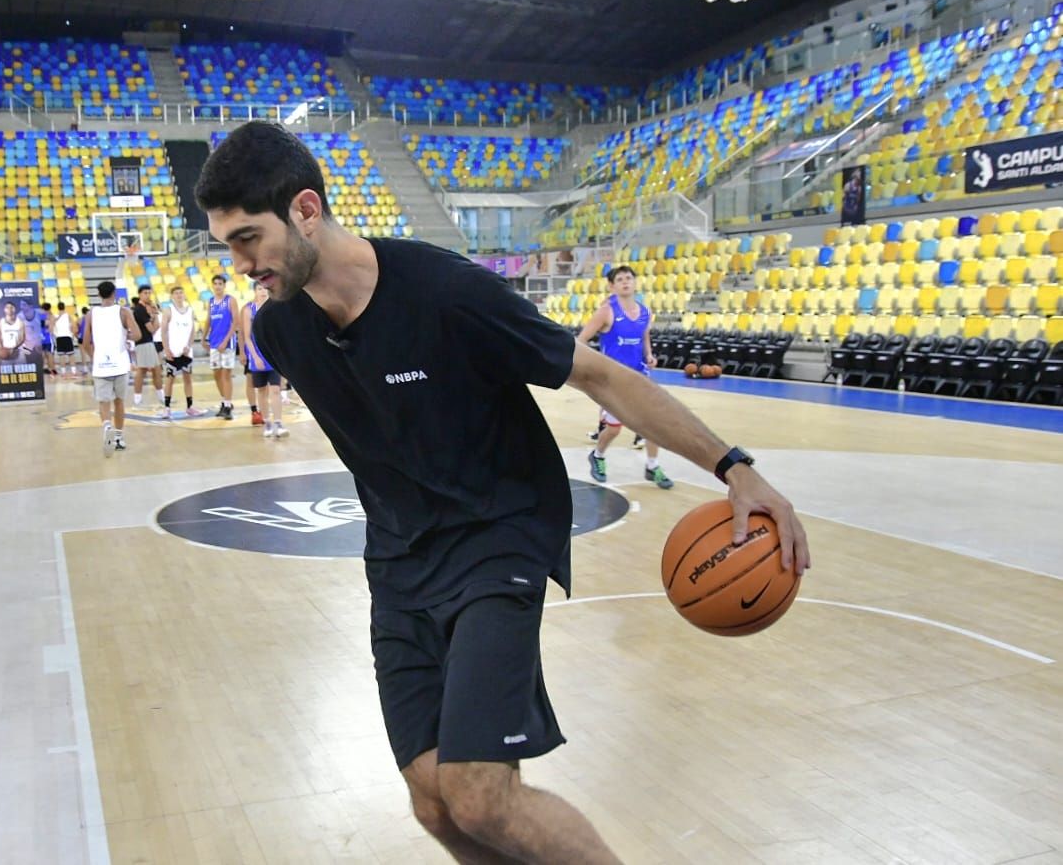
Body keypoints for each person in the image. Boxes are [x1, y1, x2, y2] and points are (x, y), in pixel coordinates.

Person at [196, 122, 811, 865]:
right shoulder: (282, 330)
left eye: (246, 239)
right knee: (434, 800)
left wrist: (733, 466)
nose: (238, 264)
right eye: (226, 245)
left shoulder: (446, 292)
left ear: (304, 210)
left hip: (498, 535)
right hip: (397, 560)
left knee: (482, 792)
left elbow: (603, 378)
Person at [577, 265, 673, 490]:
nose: (625, 282)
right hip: (613, 381)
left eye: (628, 278)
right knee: (614, 429)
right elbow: (581, 340)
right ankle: (598, 455)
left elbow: (644, 336)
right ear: (612, 286)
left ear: (635, 282)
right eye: (620, 279)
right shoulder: (606, 311)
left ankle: (652, 465)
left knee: (653, 424)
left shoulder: (645, 311)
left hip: (640, 376)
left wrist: (649, 354)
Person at [83, 280, 139, 456]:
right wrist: (126, 335)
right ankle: (119, 438)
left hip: (101, 365)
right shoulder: (123, 311)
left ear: (98, 294)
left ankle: (107, 425)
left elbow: (85, 342)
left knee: (103, 402)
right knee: (119, 401)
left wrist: (95, 357)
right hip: (120, 364)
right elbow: (137, 334)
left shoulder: (91, 314)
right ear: (114, 293)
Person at [240, 283, 286, 436]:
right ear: (254, 291)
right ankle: (267, 422)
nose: (263, 291)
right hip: (257, 357)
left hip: (272, 357)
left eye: (265, 288)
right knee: (261, 391)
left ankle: (278, 423)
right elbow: (247, 337)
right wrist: (254, 356)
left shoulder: (274, 308)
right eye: (259, 289)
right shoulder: (249, 310)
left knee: (275, 389)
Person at [158, 285, 205, 419]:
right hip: (173, 350)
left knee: (188, 379)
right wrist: (166, 348)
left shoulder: (190, 311)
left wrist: (189, 346)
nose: (179, 295)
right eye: (176, 293)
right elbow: (163, 331)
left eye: (181, 293)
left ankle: (190, 407)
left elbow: (192, 331)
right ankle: (166, 407)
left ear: (184, 295)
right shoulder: (168, 311)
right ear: (172, 296)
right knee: (170, 379)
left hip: (186, 351)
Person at [205, 274, 240, 419]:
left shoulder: (230, 300)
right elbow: (208, 319)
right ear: (212, 286)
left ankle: (227, 405)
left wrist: (226, 340)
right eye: (215, 284)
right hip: (214, 342)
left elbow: (235, 321)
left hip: (228, 343)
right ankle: (225, 401)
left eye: (220, 283)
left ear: (224, 286)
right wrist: (204, 337)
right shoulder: (211, 301)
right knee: (216, 374)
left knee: (226, 374)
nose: (218, 286)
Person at [130, 284, 161, 406]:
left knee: (155, 370)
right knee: (143, 370)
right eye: (145, 293)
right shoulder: (139, 310)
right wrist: (156, 315)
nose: (148, 295)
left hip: (148, 342)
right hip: (143, 342)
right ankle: (138, 398)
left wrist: (154, 314)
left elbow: (154, 327)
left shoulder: (145, 309)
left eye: (149, 293)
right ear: (140, 294)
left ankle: (160, 396)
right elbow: (153, 329)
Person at [53, 303, 78, 376]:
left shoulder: (55, 316)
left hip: (59, 337)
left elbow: (52, 324)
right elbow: (73, 325)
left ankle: (63, 372)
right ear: (64, 307)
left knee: (61, 356)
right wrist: (73, 335)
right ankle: (74, 371)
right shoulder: (68, 316)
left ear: (58, 307)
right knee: (71, 355)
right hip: (67, 336)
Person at [39, 302, 57, 375]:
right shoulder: (50, 316)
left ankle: (43, 368)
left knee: (43, 354)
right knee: (50, 354)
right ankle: (52, 369)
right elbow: (50, 328)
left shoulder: (38, 316)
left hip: (40, 338)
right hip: (48, 338)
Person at [77, 306, 91, 375]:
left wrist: (77, 336)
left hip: (81, 338)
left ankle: (85, 369)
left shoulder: (79, 319)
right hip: (89, 337)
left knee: (83, 354)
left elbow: (76, 330)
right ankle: (94, 368)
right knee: (91, 354)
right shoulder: (90, 319)